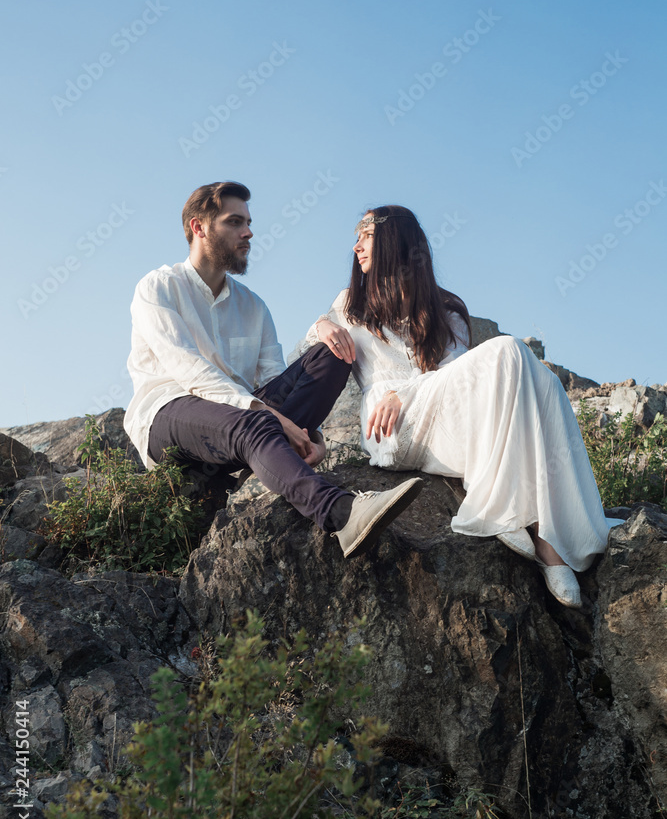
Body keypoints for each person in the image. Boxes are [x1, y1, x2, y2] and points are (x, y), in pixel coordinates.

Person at [299, 204, 623, 606]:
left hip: (441, 418)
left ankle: (533, 525)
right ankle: (531, 529)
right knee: (508, 350)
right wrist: (322, 324)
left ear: (393, 240)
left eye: (364, 235)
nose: (355, 246)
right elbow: (307, 359)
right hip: (392, 428)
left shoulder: (443, 311)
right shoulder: (350, 303)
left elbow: (461, 383)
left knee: (544, 383)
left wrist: (409, 392)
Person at [123, 184, 423, 559]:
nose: (248, 232)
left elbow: (273, 381)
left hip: (235, 426)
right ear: (198, 227)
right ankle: (343, 514)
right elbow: (191, 372)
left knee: (332, 355)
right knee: (256, 421)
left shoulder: (254, 307)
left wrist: (306, 432)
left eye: (248, 222)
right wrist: (268, 416)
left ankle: (262, 458)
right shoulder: (158, 287)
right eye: (234, 222)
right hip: (169, 414)